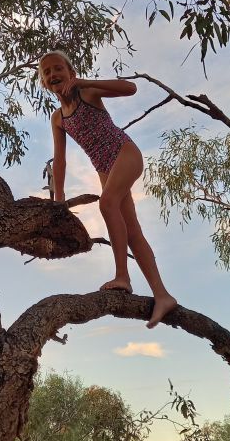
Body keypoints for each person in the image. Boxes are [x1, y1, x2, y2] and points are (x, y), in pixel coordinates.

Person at [39, 50, 177, 329]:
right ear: (43, 82)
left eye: (58, 69)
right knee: (133, 231)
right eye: (47, 72)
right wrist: (59, 199)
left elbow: (131, 88)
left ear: (71, 73)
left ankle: (122, 277)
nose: (53, 75)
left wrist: (86, 82)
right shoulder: (58, 118)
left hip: (125, 153)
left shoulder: (88, 94)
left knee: (106, 204)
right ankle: (162, 296)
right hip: (104, 168)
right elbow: (61, 159)